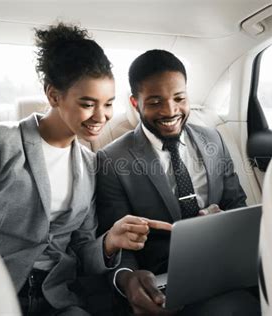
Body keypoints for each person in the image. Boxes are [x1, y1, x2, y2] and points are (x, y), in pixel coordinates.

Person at [0, 24, 171, 316]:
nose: (100, 116)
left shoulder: (90, 165)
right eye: (87, 104)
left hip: (57, 299)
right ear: (53, 95)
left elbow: (82, 249)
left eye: (108, 104)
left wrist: (111, 240)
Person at [96, 50, 259, 315]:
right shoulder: (111, 160)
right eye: (155, 101)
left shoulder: (213, 140)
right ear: (136, 103)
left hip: (223, 265)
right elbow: (116, 242)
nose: (170, 111)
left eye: (179, 98)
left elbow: (236, 203)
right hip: (165, 281)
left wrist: (222, 221)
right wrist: (127, 279)